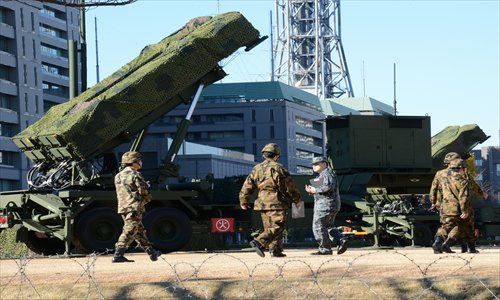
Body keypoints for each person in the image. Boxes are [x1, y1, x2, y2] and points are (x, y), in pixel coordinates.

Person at [239, 143, 302, 258]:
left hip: (262, 202)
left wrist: (244, 201)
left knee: (269, 227)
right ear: (277, 155)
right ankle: (259, 241)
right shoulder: (278, 168)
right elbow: (289, 186)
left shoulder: (256, 168)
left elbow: (247, 186)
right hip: (277, 201)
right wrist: (296, 198)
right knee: (278, 226)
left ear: (264, 155)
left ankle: (275, 250)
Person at [112, 151, 162, 263]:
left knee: (139, 231)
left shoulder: (118, 176)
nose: (141, 162)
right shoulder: (135, 174)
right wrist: (147, 197)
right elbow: (143, 191)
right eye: (139, 160)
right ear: (134, 162)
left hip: (123, 207)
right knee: (130, 230)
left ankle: (152, 253)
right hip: (134, 206)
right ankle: (118, 254)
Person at [305, 156, 348, 255]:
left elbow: (328, 187)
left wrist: (314, 190)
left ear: (324, 164)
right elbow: (323, 190)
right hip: (327, 204)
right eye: (313, 165)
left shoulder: (326, 174)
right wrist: (312, 191)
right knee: (327, 226)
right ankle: (340, 240)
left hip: (325, 205)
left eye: (317, 164)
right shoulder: (322, 176)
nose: (314, 166)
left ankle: (325, 249)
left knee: (318, 226)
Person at [431, 158, 471, 254]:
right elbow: (463, 197)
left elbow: (434, 188)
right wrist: (464, 210)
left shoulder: (442, 175)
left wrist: (433, 201)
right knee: (460, 226)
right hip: (456, 206)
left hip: (444, 206)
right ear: (461, 168)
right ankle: (446, 244)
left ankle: (437, 243)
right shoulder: (463, 179)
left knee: (446, 225)